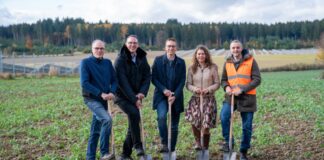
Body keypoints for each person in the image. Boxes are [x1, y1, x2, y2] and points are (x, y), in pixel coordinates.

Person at [220, 40, 261, 160]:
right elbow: (223, 80)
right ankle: (229, 143)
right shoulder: (227, 62)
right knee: (224, 117)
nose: (235, 50)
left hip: (247, 97)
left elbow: (257, 79)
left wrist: (242, 89)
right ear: (230, 49)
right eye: (233, 48)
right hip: (231, 97)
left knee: (247, 126)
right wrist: (226, 87)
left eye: (238, 48)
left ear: (241, 48)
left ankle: (243, 151)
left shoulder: (251, 61)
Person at [114, 35, 151, 160]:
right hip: (122, 96)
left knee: (133, 121)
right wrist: (134, 99)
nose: (132, 45)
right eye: (130, 43)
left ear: (138, 45)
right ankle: (137, 145)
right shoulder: (120, 60)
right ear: (125, 44)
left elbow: (147, 76)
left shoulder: (141, 56)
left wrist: (142, 92)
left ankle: (125, 154)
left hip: (136, 95)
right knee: (135, 115)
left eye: (135, 43)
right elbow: (123, 83)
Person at [80, 39, 117, 160]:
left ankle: (90, 157)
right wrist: (100, 93)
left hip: (104, 101)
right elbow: (85, 83)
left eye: (101, 48)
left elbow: (114, 80)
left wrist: (112, 91)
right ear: (92, 49)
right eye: (97, 48)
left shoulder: (107, 63)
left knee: (95, 131)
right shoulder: (85, 63)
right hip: (92, 99)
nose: (99, 50)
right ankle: (104, 153)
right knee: (107, 120)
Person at [152, 38, 186, 155]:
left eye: (173, 46)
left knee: (174, 126)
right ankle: (164, 143)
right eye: (169, 46)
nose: (171, 48)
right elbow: (154, 78)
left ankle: (172, 149)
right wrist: (164, 90)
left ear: (176, 48)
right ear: (165, 48)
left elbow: (182, 80)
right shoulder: (158, 60)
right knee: (161, 117)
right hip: (161, 96)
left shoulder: (181, 62)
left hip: (176, 97)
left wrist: (175, 95)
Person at [185, 45, 220, 151]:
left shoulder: (213, 67)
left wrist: (208, 89)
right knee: (194, 122)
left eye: (203, 53)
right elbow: (188, 84)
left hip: (208, 99)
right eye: (199, 54)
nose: (201, 55)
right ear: (196, 55)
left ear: (206, 55)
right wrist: (194, 88)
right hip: (196, 99)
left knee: (206, 123)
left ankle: (205, 147)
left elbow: (217, 83)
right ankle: (197, 143)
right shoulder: (191, 68)